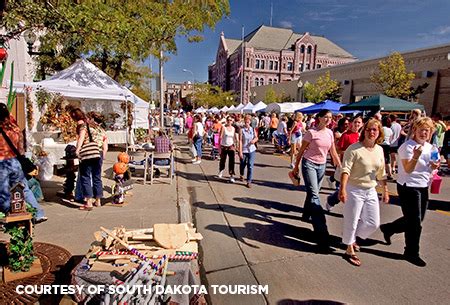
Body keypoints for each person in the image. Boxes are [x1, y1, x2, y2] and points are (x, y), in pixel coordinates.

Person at [380, 117, 440, 267]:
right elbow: (407, 169)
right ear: (415, 130)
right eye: (421, 130)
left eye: (427, 130)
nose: (424, 133)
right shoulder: (407, 147)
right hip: (408, 186)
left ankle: (389, 228)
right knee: (415, 223)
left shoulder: (431, 148)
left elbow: (434, 166)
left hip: (423, 185)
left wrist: (434, 165)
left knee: (417, 220)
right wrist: (415, 157)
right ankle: (412, 252)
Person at [339, 118, 389, 266]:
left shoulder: (379, 149)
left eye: (375, 130)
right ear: (364, 131)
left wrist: (385, 190)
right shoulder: (354, 149)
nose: (371, 132)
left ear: (379, 132)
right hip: (354, 189)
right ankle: (349, 248)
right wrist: (342, 189)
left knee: (373, 223)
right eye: (368, 129)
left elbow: (382, 172)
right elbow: (345, 169)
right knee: (352, 220)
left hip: (370, 189)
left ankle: (350, 237)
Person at [292, 109, 341, 252]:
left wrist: (341, 167)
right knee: (315, 195)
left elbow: (333, 152)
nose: (328, 119)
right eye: (325, 117)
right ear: (319, 118)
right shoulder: (311, 133)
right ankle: (321, 231)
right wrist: (295, 167)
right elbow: (301, 151)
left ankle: (306, 214)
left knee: (313, 191)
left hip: (322, 165)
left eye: (330, 118)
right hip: (309, 164)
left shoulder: (330, 133)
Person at [0, 103, 47, 222]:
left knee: (3, 191)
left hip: (2, 163)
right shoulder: (15, 128)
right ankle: (38, 213)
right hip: (15, 162)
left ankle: (11, 216)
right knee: (24, 189)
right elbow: (21, 149)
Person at [326, 115, 364, 211]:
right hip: (346, 165)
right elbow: (338, 150)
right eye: (355, 122)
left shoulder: (363, 137)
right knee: (342, 189)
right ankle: (331, 200)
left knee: (356, 190)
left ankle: (355, 210)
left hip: (358, 167)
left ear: (362, 124)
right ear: (351, 123)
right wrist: (348, 152)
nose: (357, 124)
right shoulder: (346, 135)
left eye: (359, 122)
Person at [70, 108, 103, 210]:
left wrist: (77, 150)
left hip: (87, 153)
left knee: (85, 177)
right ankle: (98, 200)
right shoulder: (97, 127)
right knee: (97, 177)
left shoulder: (84, 126)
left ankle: (88, 202)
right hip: (97, 153)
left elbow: (81, 138)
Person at [239, 115, 258, 188]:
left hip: (251, 150)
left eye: (248, 121)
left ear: (250, 122)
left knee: (250, 165)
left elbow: (256, 137)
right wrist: (240, 151)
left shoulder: (252, 129)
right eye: (246, 121)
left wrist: (254, 140)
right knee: (242, 164)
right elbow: (240, 141)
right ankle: (241, 174)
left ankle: (249, 181)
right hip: (244, 149)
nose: (247, 123)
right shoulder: (242, 130)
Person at [218, 116, 238, 183]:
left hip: (231, 146)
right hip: (224, 146)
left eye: (231, 120)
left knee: (232, 161)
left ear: (232, 121)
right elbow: (220, 138)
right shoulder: (223, 127)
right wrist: (219, 148)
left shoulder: (233, 128)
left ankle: (231, 175)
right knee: (223, 160)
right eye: (228, 120)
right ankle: (221, 170)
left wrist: (235, 145)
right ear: (226, 121)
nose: (229, 121)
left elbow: (234, 138)